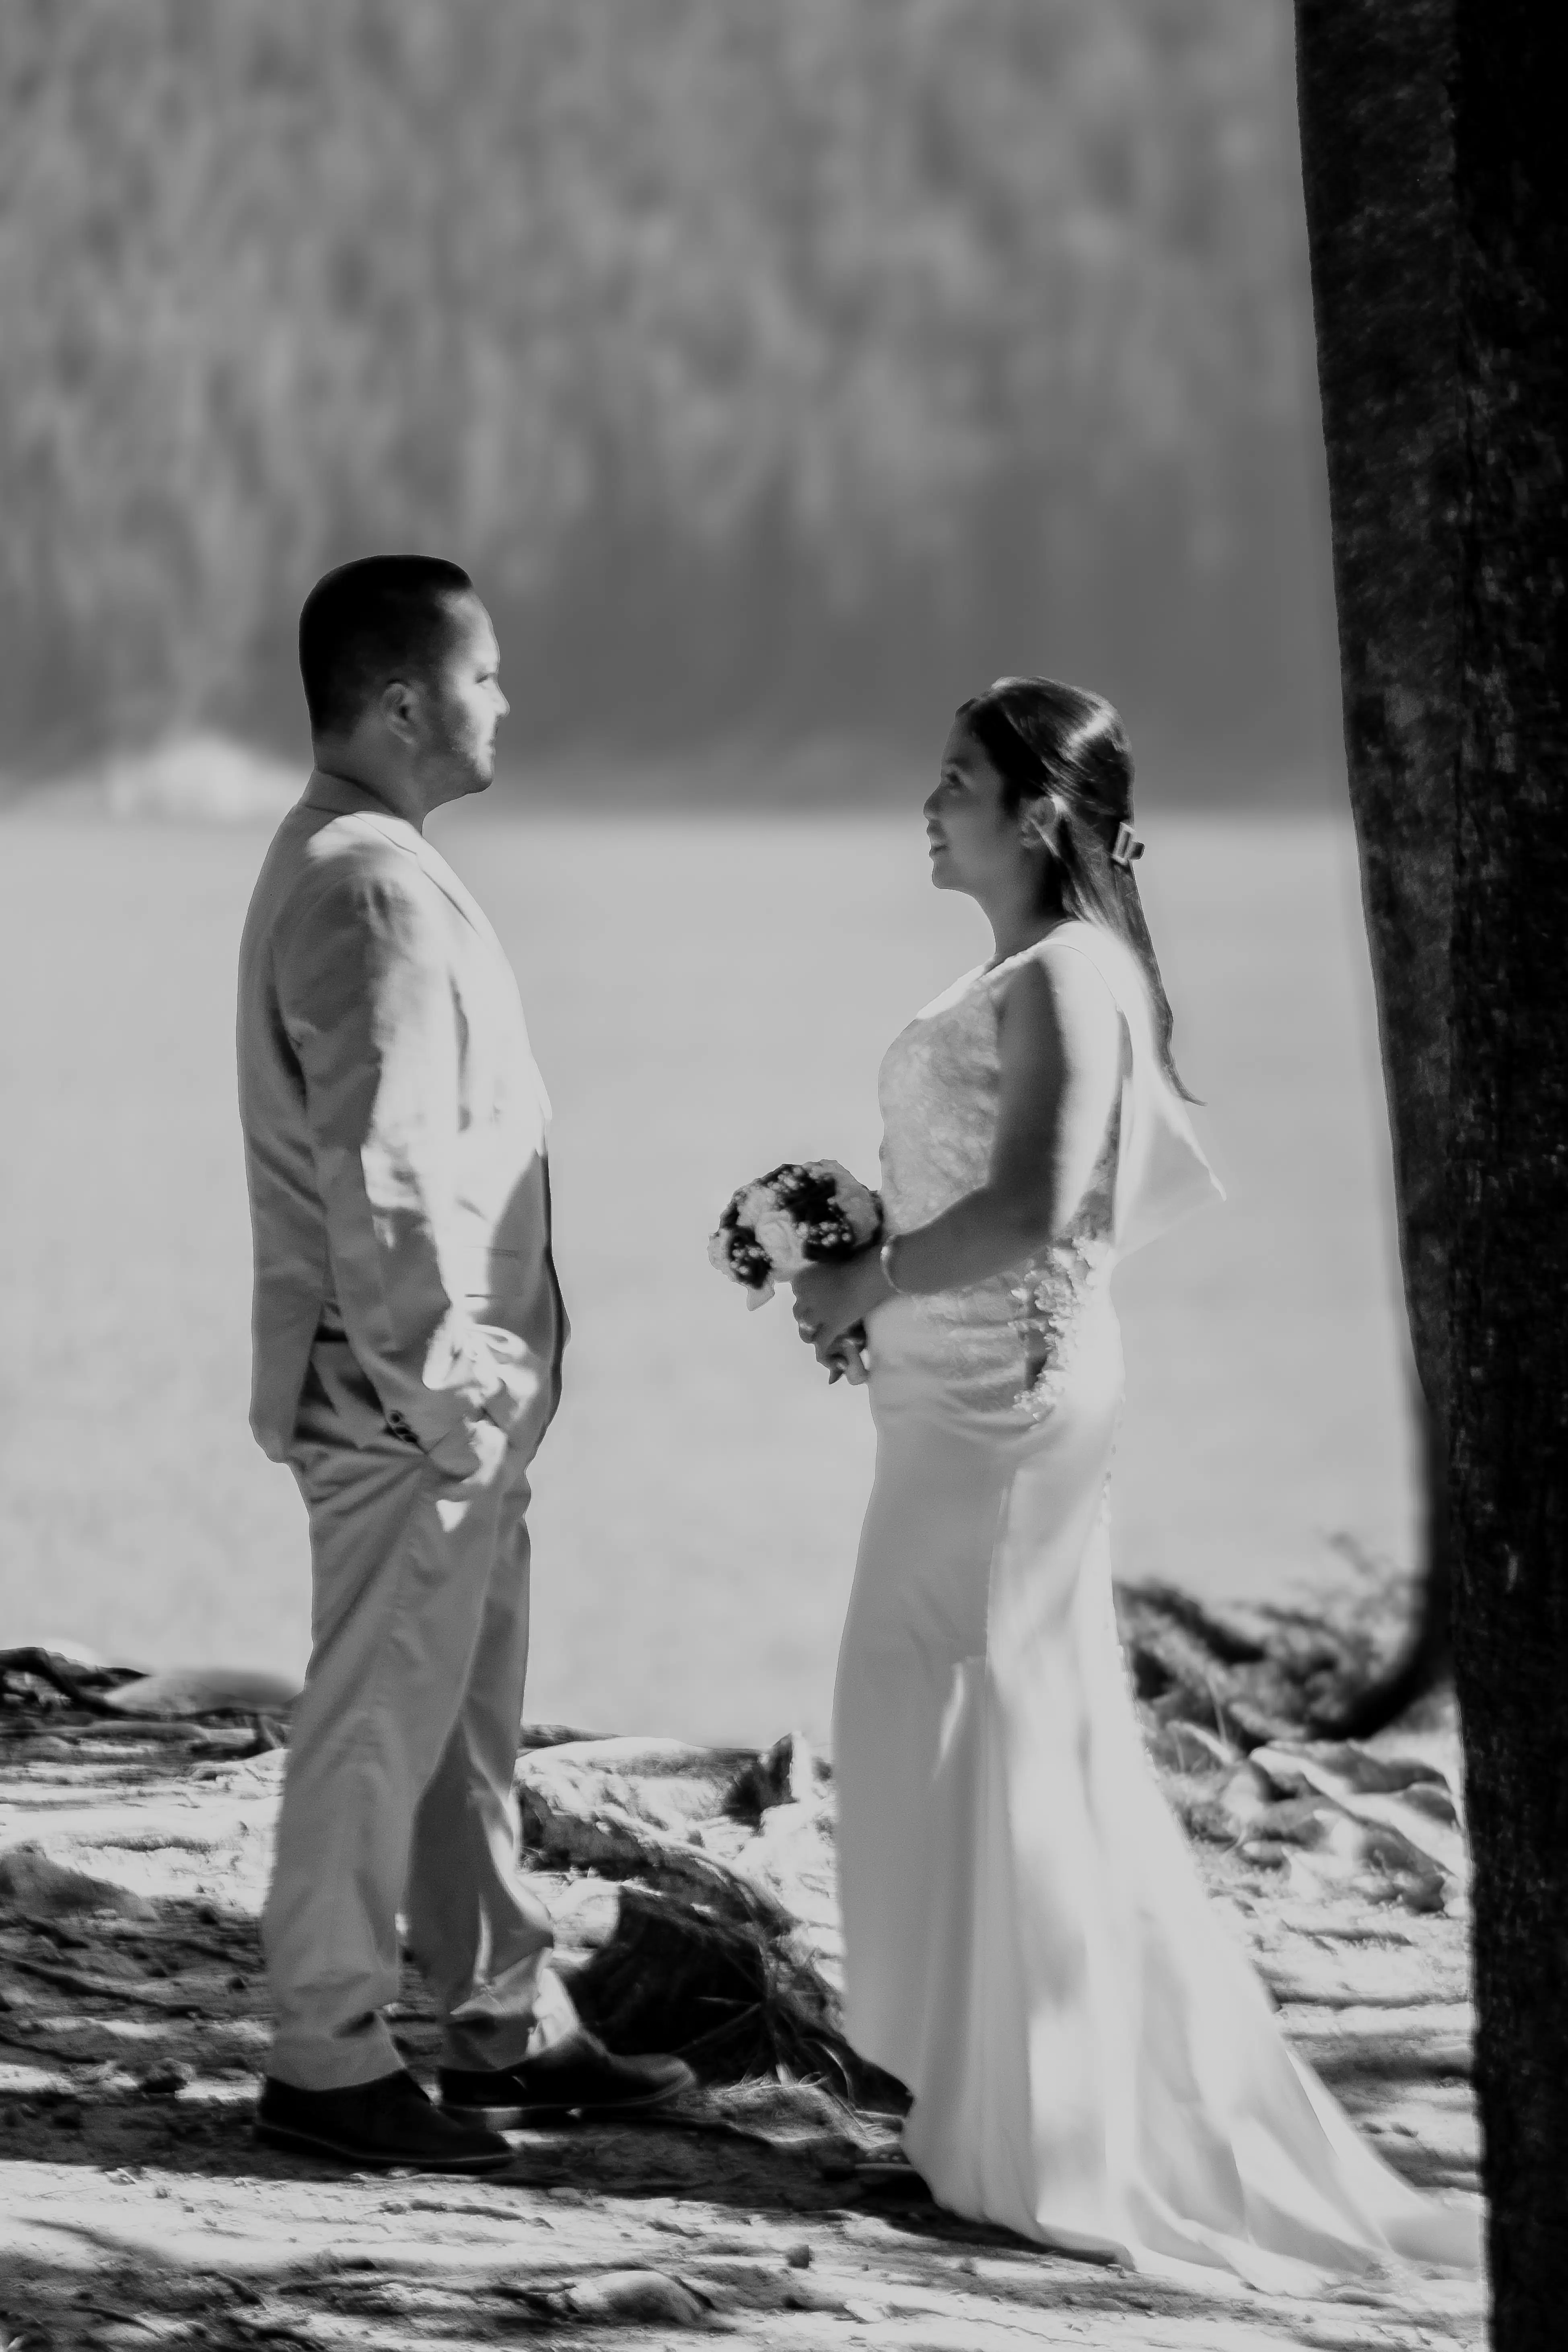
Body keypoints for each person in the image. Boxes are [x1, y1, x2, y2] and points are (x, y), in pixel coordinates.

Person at [789, 677, 1479, 2286]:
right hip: (950, 1402)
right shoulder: (1022, 973)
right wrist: (860, 1268)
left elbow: (1033, 1205)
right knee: (933, 1724)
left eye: (952, 778)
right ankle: (966, 2111)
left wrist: (869, 1276)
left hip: (1009, 1407)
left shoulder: (1070, 975)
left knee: (998, 1733)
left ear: (1034, 812)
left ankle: (1037, 2146)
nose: (926, 801)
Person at [236, 554, 691, 2172]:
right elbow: (388, 1164)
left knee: (458, 1726)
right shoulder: (366, 882)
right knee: (375, 1723)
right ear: (408, 700)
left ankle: (500, 2017)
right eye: (487, 675)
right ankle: (325, 2055)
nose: (508, 701)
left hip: (440, 1404)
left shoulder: (376, 862)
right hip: (409, 1408)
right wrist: (455, 1392)